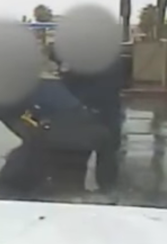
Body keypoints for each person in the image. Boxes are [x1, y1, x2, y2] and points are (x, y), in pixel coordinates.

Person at [0, 76, 111, 196]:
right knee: (67, 188)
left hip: (57, 139)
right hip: (90, 135)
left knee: (11, 182)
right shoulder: (37, 82)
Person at [49, 46, 125, 192]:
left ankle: (98, 191)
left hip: (93, 112)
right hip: (100, 111)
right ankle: (105, 192)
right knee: (98, 156)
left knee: (96, 156)